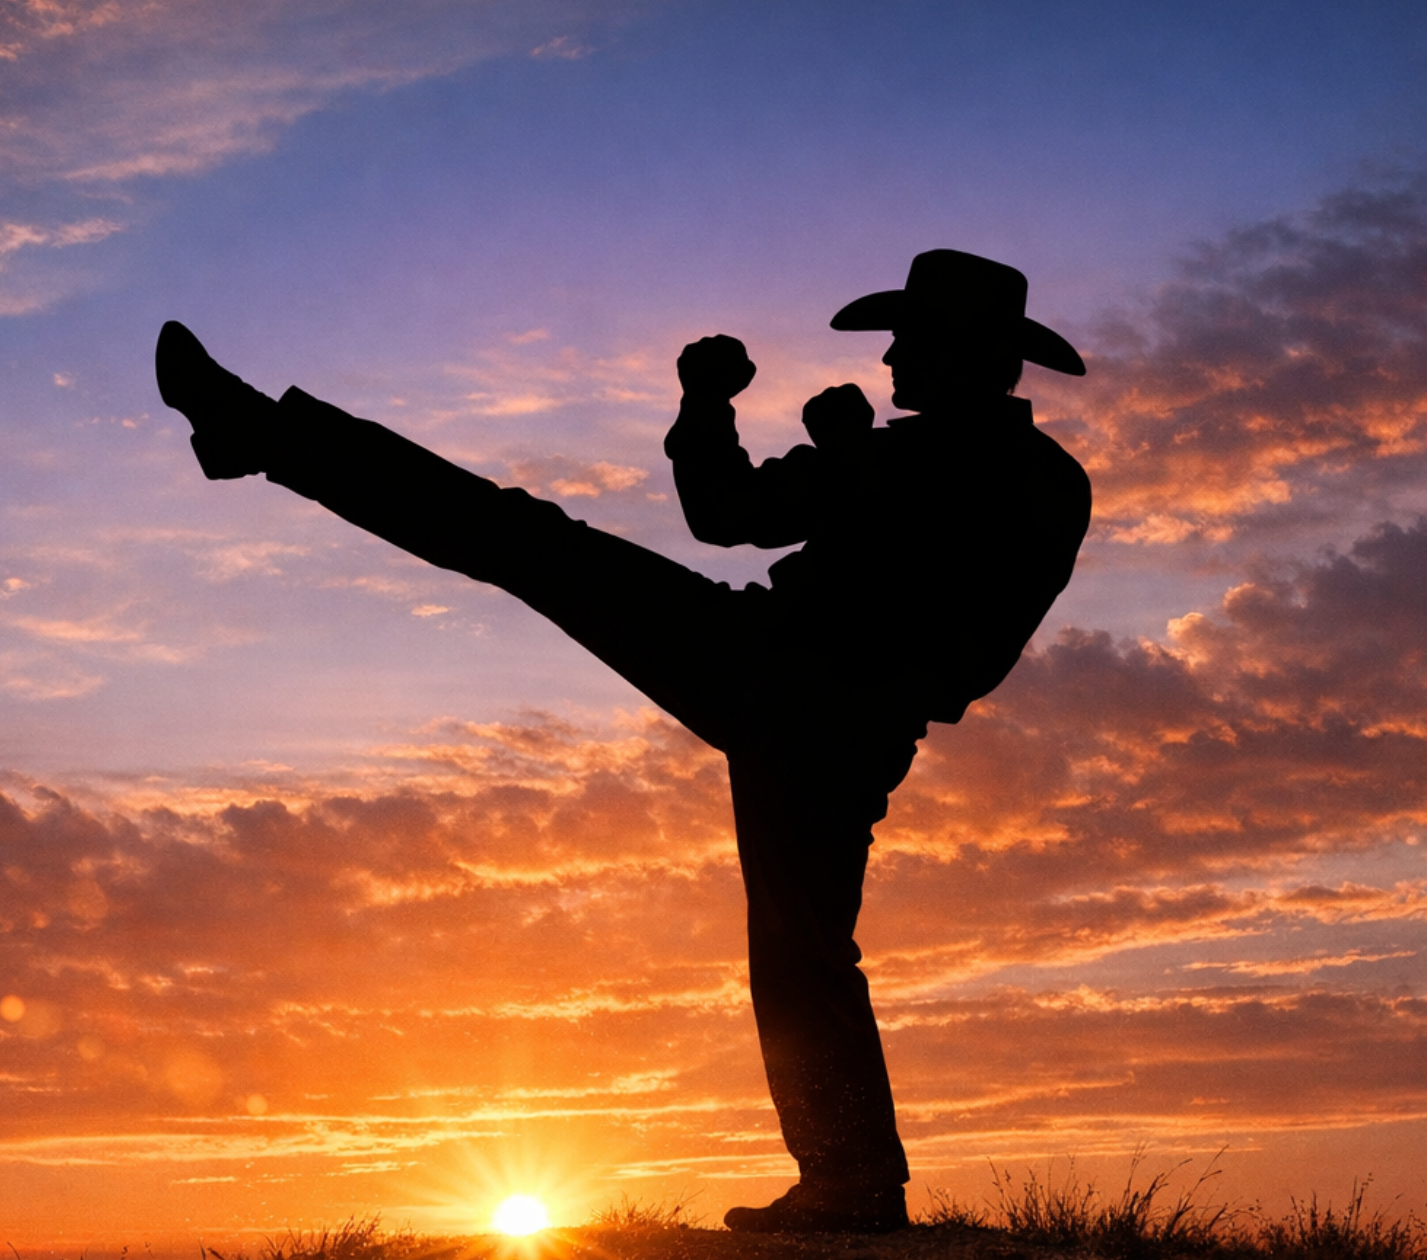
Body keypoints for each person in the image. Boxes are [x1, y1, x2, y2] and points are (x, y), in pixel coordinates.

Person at [153, 248, 1092, 1234]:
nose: (893, 351)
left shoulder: (981, 471)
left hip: (798, 689)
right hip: (805, 693)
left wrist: (781, 435)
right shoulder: (970, 466)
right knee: (799, 947)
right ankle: (850, 1181)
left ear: (961, 351)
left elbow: (840, 565)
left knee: (525, 543)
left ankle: (258, 433)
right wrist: (743, 420)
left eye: (910, 335)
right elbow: (755, 528)